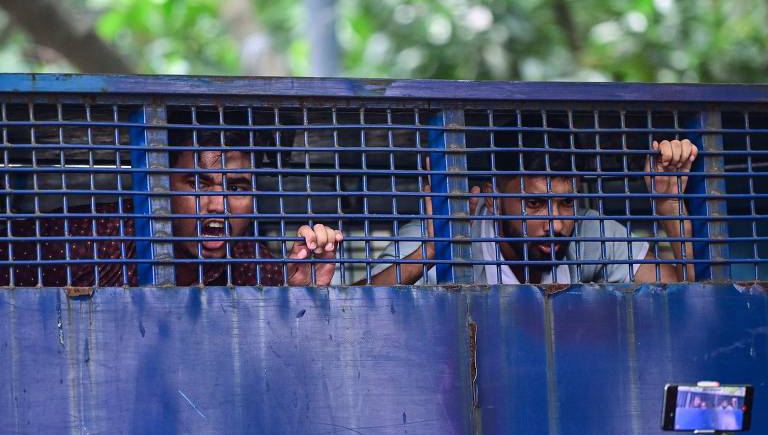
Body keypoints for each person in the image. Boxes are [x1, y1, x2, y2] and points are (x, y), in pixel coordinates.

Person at [366, 114, 697, 285]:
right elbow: (352, 306)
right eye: (534, 204)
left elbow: (692, 297)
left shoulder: (589, 233)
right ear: (494, 199)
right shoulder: (439, 234)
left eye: (567, 203)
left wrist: (668, 204)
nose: (556, 224)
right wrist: (435, 248)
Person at [0, 124, 342, 287]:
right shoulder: (85, 237)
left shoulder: (250, 263)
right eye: (197, 183)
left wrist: (301, 291)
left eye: (236, 187)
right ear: (161, 187)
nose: (218, 206)